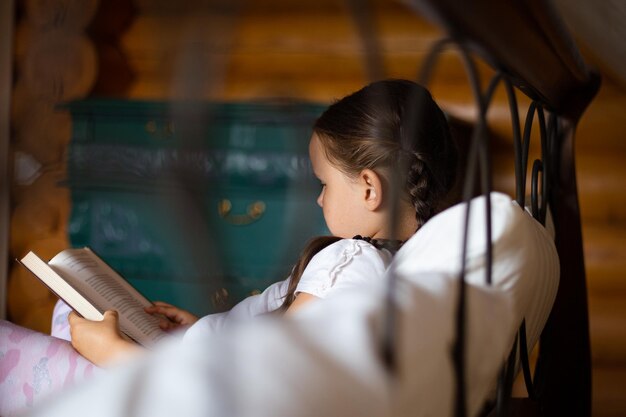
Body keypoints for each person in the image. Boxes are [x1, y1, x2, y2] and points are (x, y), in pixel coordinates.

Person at [0, 79, 457, 415]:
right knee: (72, 319)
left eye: (324, 184)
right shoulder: (392, 266)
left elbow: (262, 387)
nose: (319, 199)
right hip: (190, 359)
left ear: (369, 190)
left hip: (169, 386)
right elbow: (272, 347)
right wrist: (205, 327)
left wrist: (116, 357)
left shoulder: (351, 260)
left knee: (32, 345)